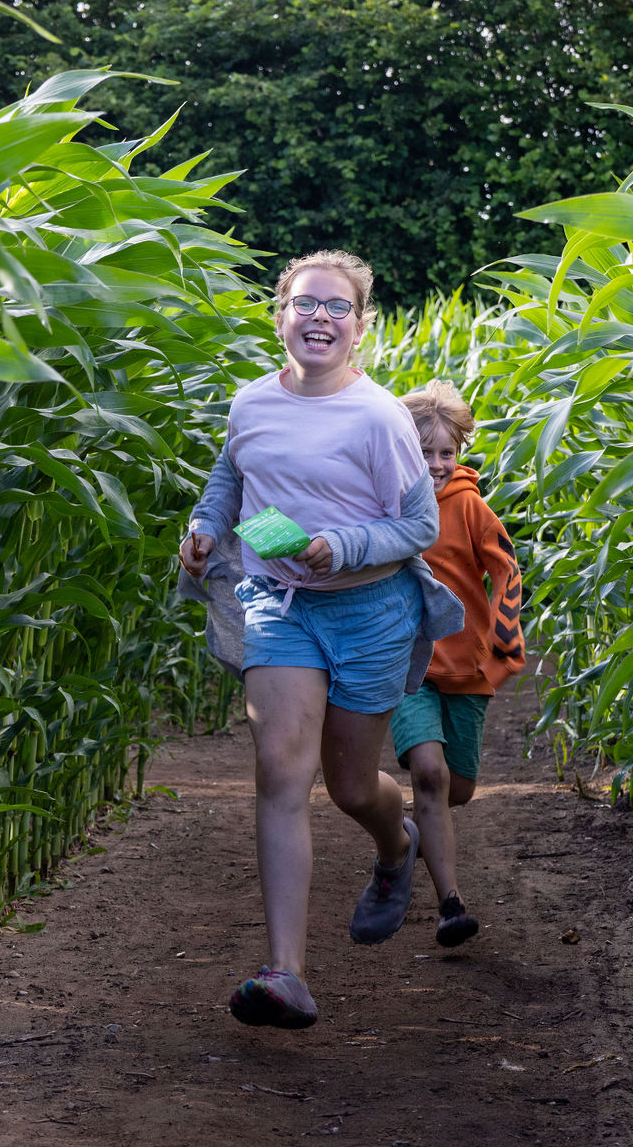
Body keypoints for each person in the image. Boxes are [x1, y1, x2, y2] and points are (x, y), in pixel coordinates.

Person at [179, 251, 463, 1030]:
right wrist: (203, 529)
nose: (320, 319)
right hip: (279, 602)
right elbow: (227, 484)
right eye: (306, 304)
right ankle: (285, 973)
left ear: (359, 328)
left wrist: (340, 545)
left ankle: (396, 844)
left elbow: (418, 526)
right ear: (281, 315)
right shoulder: (250, 406)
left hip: (370, 611)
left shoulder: (377, 418)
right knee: (279, 768)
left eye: (338, 309)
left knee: (348, 785)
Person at [389, 380, 525, 949]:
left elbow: (507, 573)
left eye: (447, 452)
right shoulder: (386, 504)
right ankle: (450, 904)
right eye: (423, 452)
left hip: (466, 669)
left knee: (458, 789)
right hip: (406, 668)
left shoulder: (469, 506)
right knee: (429, 774)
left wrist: (503, 640)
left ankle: (402, 833)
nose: (437, 464)